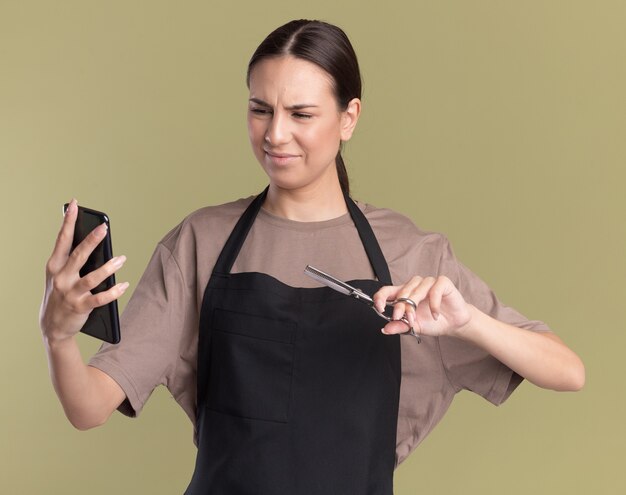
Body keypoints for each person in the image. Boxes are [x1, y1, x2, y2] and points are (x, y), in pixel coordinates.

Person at [39, 19, 585, 495]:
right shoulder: (200, 242)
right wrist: (59, 335)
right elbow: (88, 408)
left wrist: (469, 324)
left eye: (301, 113)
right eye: (260, 110)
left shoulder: (412, 253)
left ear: (349, 118)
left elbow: (567, 371)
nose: (276, 134)